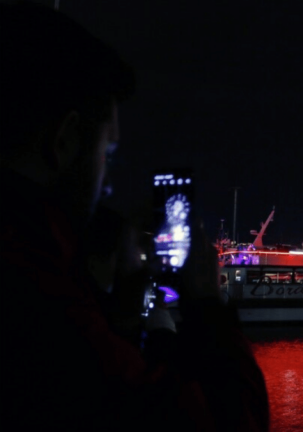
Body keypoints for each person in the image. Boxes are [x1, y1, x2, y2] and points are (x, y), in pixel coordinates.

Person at [0, 3, 269, 430]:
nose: (107, 184)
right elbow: (232, 421)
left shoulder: (31, 263)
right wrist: (207, 303)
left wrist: (123, 309)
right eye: (106, 154)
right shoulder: (37, 291)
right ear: (63, 140)